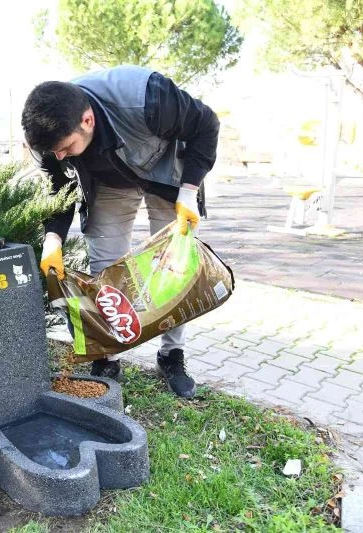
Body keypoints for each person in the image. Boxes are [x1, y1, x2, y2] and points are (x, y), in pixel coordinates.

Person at [21, 65, 219, 398]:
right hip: (109, 183)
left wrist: (189, 191)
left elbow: (207, 124)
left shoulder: (148, 97)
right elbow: (59, 186)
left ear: (87, 121)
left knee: (174, 265)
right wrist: (52, 239)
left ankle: (172, 354)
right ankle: (107, 357)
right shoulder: (47, 138)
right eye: (54, 152)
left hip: (167, 175)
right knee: (104, 267)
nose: (59, 156)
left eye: (66, 147)